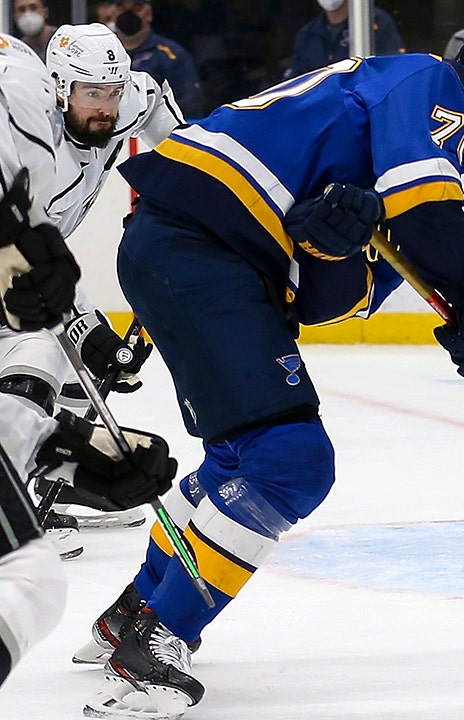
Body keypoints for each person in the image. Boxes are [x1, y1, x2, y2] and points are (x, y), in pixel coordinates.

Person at [79, 25, 464, 718]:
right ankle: (157, 639)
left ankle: (136, 613)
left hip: (192, 252)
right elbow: (432, 221)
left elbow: (329, 304)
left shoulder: (395, 167)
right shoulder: (429, 85)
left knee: (239, 459)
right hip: (197, 245)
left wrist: (330, 247)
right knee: (292, 460)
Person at [0, 32, 177, 690]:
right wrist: (90, 328)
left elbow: (190, 151)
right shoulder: (29, 135)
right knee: (44, 349)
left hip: (26, 256)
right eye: (89, 94)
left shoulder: (131, 98)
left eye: (111, 91)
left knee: (67, 361)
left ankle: (49, 476)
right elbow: (37, 273)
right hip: (17, 258)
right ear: (55, 88)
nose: (104, 108)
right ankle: (36, 492)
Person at [110, 0, 202, 118]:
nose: (128, 13)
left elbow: (190, 105)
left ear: (149, 14)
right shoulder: (99, 53)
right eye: (121, 8)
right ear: (112, 14)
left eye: (137, 7)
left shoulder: (172, 55)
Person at [284, 0, 406, 80]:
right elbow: (293, 84)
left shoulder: (373, 23)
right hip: (324, 115)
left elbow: (394, 73)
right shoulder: (308, 34)